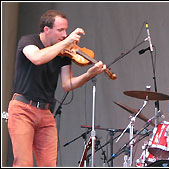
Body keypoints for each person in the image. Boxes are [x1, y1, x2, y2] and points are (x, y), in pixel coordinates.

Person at [7, 10, 106, 167]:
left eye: (66, 30)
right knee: (23, 163)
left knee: (49, 164)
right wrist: (65, 43)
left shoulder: (63, 53)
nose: (65, 34)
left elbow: (67, 84)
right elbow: (37, 58)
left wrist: (88, 74)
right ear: (47, 30)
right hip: (23, 110)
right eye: (60, 30)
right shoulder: (28, 41)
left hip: (46, 113)